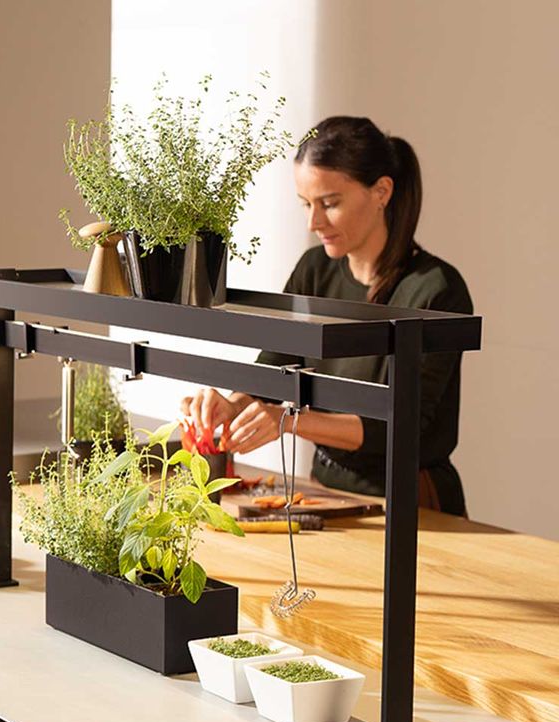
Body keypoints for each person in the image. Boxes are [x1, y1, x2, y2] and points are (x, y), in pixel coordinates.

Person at [181, 116, 473, 516]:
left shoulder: (436, 288)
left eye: (330, 203)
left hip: (412, 502)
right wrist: (232, 405)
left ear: (381, 192)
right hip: (327, 492)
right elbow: (273, 367)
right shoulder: (314, 269)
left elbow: (403, 428)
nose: (313, 222)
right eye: (306, 204)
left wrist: (288, 420)